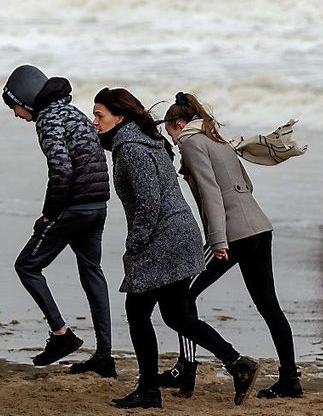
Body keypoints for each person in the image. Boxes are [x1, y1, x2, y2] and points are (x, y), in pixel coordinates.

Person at [92, 87, 260, 409]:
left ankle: (149, 391)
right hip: (180, 233)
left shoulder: (131, 148)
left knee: (137, 312)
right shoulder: (147, 140)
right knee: (177, 315)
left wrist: (135, 244)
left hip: (163, 238)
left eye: (100, 115)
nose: (94, 121)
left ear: (120, 116)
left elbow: (149, 202)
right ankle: (238, 364)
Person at [160, 91, 303, 399]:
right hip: (259, 227)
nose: (171, 139)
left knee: (181, 295)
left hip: (231, 233)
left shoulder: (191, 143)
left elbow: (210, 194)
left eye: (169, 131)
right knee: (269, 306)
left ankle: (191, 367)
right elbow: (246, 185)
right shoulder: (219, 139)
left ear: (179, 123)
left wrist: (217, 240)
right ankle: (290, 380)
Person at [1, 64, 115, 377]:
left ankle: (61, 336)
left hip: (73, 208)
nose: (15, 114)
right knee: (92, 273)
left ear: (24, 100)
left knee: (26, 266)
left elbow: (62, 169)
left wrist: (49, 213)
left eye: (13, 106)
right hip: (98, 205)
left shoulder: (48, 119)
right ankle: (104, 356)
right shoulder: (74, 112)